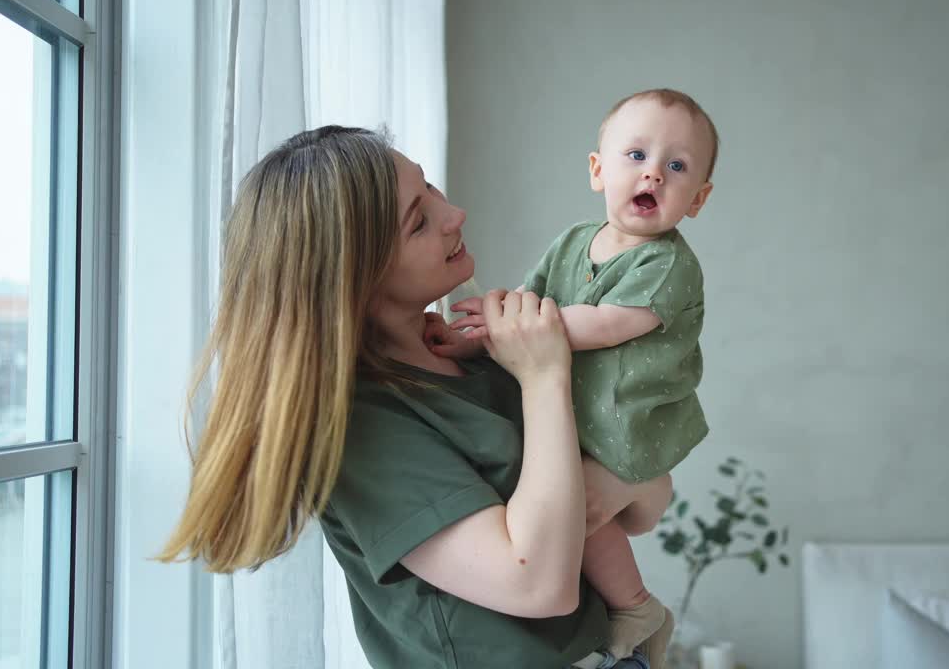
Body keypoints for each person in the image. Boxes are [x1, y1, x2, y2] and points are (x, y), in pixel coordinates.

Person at [157, 126, 672, 668]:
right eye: (419, 221)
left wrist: (622, 479)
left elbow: (643, 504)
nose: (455, 215)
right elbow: (538, 584)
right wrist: (547, 378)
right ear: (354, 272)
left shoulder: (477, 357)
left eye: (432, 190)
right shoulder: (362, 424)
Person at [440, 89, 717, 664]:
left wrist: (511, 327)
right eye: (636, 155)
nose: (654, 175)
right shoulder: (572, 241)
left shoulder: (668, 264)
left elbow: (603, 325)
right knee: (555, 510)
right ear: (598, 170)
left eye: (677, 166)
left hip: (628, 428)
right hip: (575, 423)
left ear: (698, 199)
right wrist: (476, 333)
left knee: (576, 514)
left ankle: (636, 604)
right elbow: (528, 300)